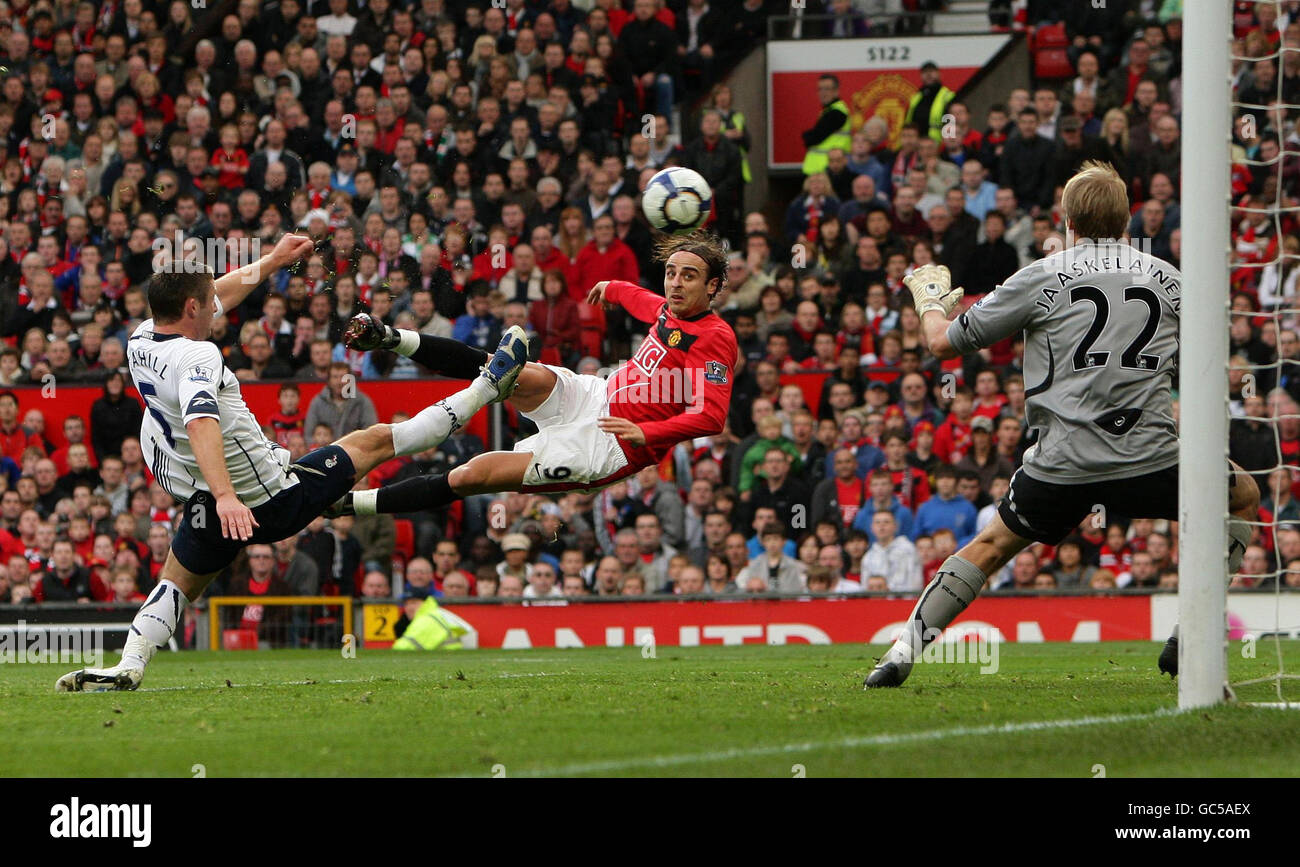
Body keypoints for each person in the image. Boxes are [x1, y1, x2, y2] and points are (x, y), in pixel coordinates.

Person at [56, 234, 532, 692]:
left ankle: (129, 664)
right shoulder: (197, 354)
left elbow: (218, 291)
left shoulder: (140, 340)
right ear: (191, 309)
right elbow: (202, 422)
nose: (217, 302)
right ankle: (487, 386)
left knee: (176, 582)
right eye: (207, 299)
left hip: (204, 498)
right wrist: (227, 497)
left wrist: (272, 261)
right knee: (376, 440)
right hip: (268, 498)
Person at [864, 162, 1260, 688]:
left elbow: (943, 344)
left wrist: (931, 303)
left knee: (989, 547)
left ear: (1067, 221)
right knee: (1243, 495)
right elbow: (1212, 354)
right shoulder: (1170, 278)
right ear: (1126, 221)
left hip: (1064, 462)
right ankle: (1192, 634)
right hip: (1152, 456)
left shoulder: (1041, 275)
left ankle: (899, 654)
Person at [331, 233, 737, 519]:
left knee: (472, 475)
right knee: (505, 368)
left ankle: (350, 505)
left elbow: (711, 417)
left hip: (609, 449)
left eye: (689, 276)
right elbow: (646, 301)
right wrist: (613, 287)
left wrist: (649, 435)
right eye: (671, 272)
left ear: (713, 285)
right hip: (595, 395)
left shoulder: (715, 338)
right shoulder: (670, 307)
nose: (675, 284)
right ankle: (388, 336)